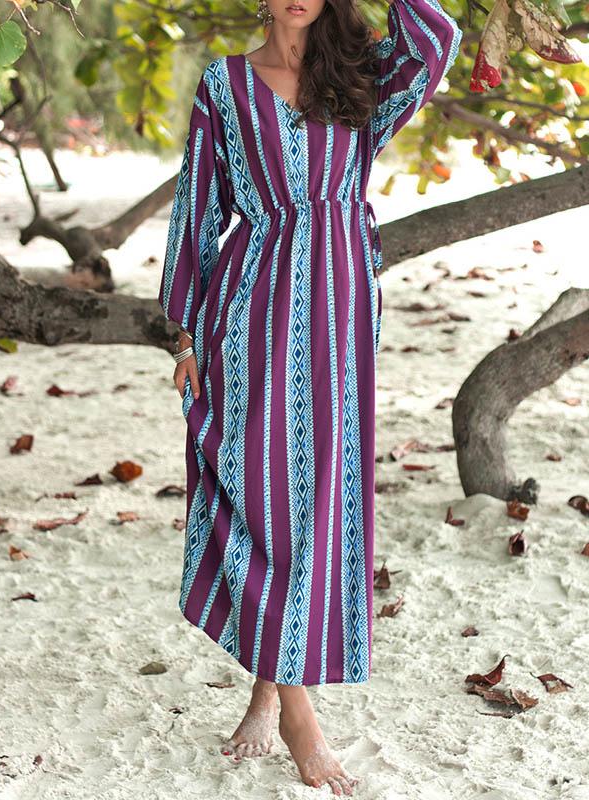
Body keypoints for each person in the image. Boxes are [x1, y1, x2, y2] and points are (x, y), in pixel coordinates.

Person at [158, 0, 461, 793]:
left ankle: (269, 689)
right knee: (260, 492)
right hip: (252, 308)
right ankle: (299, 714)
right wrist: (186, 334)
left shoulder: (360, 75)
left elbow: (439, 38)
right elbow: (198, 205)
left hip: (338, 309)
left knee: (316, 499)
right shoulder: (225, 85)